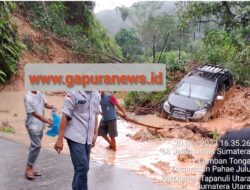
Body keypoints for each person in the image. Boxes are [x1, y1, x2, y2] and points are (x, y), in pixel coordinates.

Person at [54, 91, 100, 190]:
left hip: (88, 138)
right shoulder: (73, 93)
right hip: (74, 136)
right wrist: (59, 139)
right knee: (82, 166)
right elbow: (65, 115)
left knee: (83, 168)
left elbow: (95, 115)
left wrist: (95, 134)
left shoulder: (96, 94)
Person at [24, 91, 55, 180]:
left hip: (40, 125)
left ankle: (30, 167)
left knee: (34, 146)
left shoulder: (40, 92)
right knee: (37, 145)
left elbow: (45, 104)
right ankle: (28, 169)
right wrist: (47, 121)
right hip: (32, 125)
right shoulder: (28, 97)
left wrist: (52, 106)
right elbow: (35, 114)